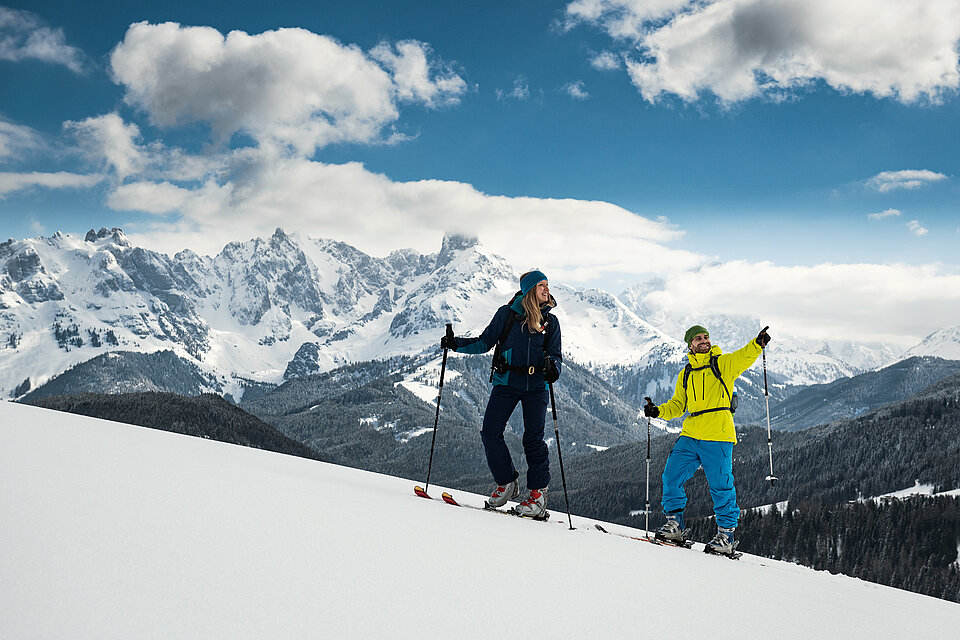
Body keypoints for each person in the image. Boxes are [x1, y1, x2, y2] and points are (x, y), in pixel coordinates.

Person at [440, 270, 562, 519]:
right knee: (490, 432)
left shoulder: (551, 322)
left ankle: (538, 496)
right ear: (529, 290)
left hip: (537, 386)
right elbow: (484, 342)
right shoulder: (507, 315)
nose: (546, 289)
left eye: (547, 285)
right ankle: (507, 482)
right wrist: (456, 344)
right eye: (541, 285)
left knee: (533, 440)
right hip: (506, 382)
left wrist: (554, 369)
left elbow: (556, 355)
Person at [644, 324, 771, 554]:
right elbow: (678, 405)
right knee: (671, 476)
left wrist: (757, 343)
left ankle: (726, 536)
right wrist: (658, 411)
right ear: (690, 345)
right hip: (691, 434)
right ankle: (676, 525)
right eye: (698, 338)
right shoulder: (686, 373)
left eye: (706, 337)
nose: (704, 341)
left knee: (721, 486)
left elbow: (744, 356)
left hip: (718, 434)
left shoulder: (722, 363)